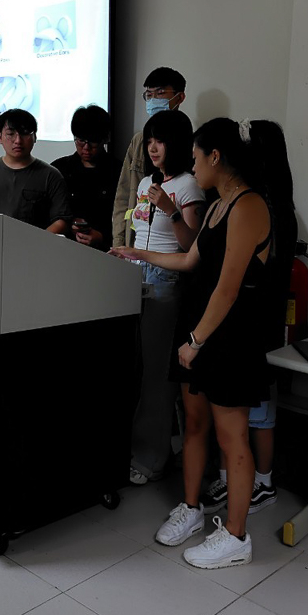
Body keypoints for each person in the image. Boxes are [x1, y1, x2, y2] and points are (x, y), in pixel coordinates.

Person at [111, 117, 272, 569]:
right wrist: (135, 252)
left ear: (215, 157)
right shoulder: (219, 206)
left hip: (228, 335)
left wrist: (196, 341)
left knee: (231, 436)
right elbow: (188, 260)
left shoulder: (249, 206)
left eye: (197, 158)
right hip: (198, 324)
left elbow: (229, 287)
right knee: (195, 423)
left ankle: (237, 536)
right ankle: (191, 508)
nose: (193, 166)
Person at [203, 120, 297, 516]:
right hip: (248, 319)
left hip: (258, 321)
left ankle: (263, 482)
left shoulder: (262, 206)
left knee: (256, 412)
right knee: (241, 415)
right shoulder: (258, 201)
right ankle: (240, 481)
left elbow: (240, 280)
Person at [126, 110, 205, 486]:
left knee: (157, 376)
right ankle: (141, 448)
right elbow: (138, 231)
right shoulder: (147, 181)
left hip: (166, 281)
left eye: (160, 141)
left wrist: (171, 210)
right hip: (135, 277)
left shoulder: (189, 186)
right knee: (139, 371)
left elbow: (192, 246)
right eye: (149, 141)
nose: (153, 148)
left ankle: (151, 458)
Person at [0, 108, 72, 233]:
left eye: (25, 133)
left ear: (35, 137)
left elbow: (62, 220)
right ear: (0, 137)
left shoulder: (51, 175)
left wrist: (37, 240)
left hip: (34, 244)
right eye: (11, 134)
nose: (18, 140)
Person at [111, 67, 187, 249]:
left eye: (160, 93)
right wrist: (119, 243)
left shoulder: (188, 139)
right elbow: (123, 195)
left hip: (170, 246)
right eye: (149, 95)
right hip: (136, 241)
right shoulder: (139, 140)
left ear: (179, 97)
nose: (153, 100)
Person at [51, 105, 122, 251]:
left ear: (105, 138)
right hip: (64, 248)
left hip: (106, 251)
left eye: (93, 141)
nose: (86, 148)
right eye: (80, 141)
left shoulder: (119, 171)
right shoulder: (59, 169)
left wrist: (102, 237)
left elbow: (125, 217)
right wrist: (69, 224)